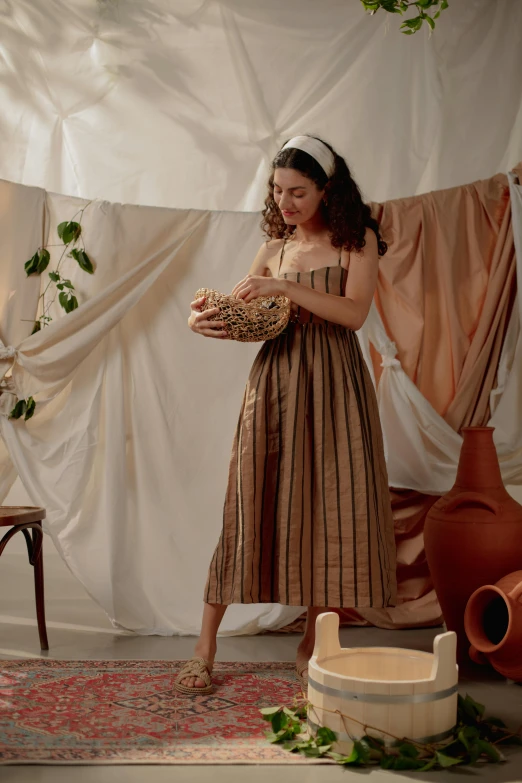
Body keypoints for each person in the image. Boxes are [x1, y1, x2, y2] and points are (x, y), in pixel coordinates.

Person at [175, 135, 397, 695]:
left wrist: (284, 287)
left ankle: (313, 643)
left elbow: (352, 313)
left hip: (336, 386)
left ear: (327, 189)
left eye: (298, 191)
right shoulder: (275, 244)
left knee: (330, 506)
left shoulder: (356, 239)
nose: (285, 202)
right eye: (277, 190)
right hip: (275, 386)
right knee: (247, 503)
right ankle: (204, 647)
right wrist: (202, 320)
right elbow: (245, 314)